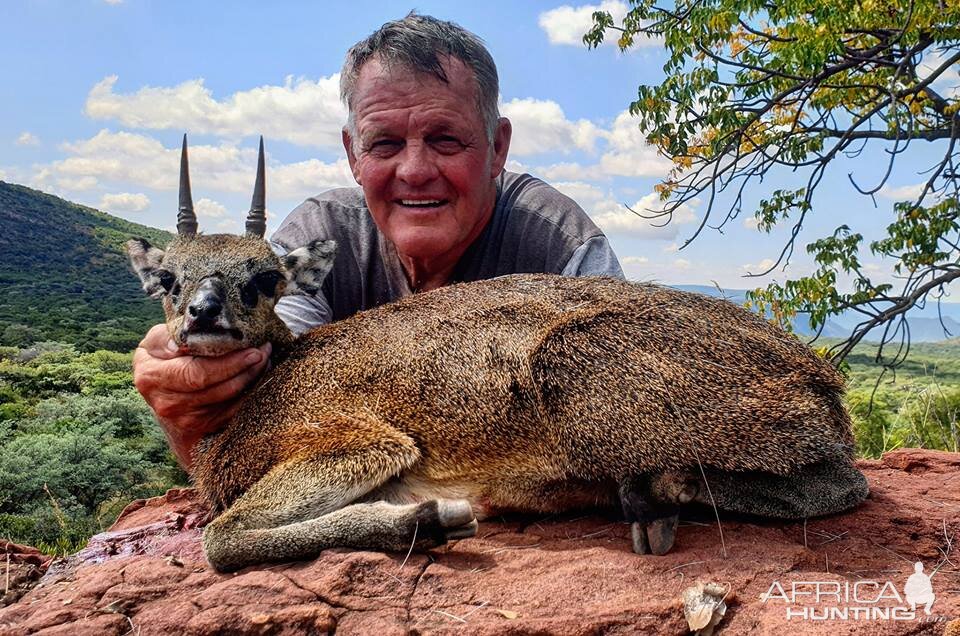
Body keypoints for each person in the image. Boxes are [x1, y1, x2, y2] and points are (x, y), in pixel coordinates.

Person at [133, 13, 624, 469]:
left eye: (446, 140)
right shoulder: (315, 236)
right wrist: (190, 406)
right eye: (385, 144)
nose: (414, 171)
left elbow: (629, 398)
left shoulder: (563, 245)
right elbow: (253, 436)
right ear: (353, 154)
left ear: (498, 147)